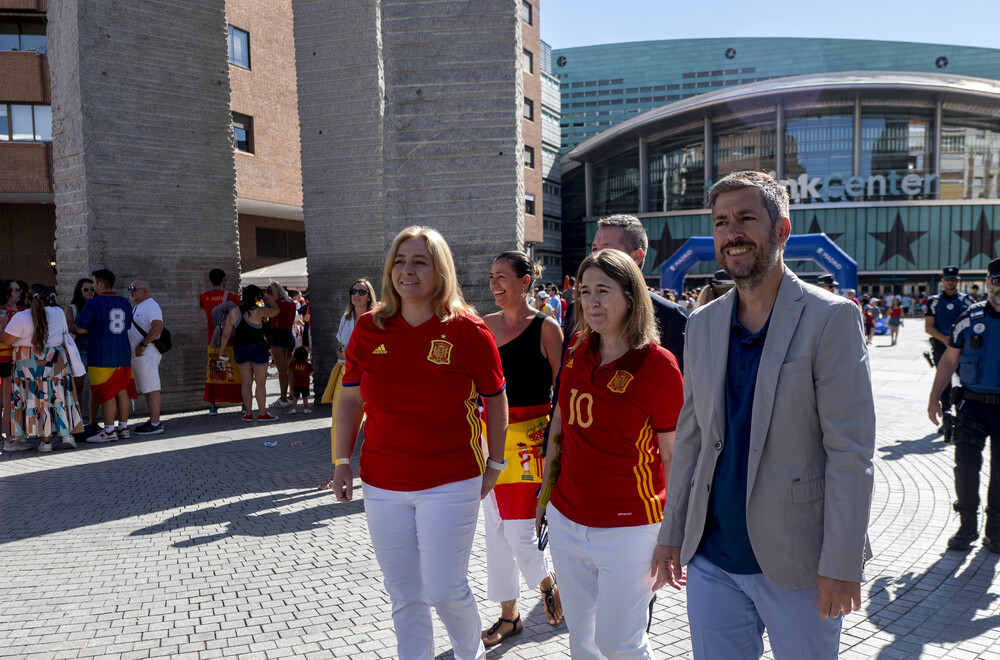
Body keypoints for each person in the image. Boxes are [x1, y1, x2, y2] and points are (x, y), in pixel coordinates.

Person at [651, 170, 876, 660]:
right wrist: (671, 535)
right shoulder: (704, 324)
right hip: (710, 559)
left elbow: (850, 452)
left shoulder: (831, 318)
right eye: (721, 222)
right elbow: (691, 439)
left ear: (782, 229)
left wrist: (842, 563)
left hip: (799, 564)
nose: (733, 232)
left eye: (747, 218)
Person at [330, 226, 508, 660]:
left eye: (419, 261)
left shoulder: (468, 329)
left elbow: (496, 399)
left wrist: (496, 463)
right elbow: (350, 397)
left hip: (451, 479)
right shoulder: (369, 328)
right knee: (405, 592)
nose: (407, 270)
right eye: (400, 261)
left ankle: (471, 653)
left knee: (445, 589)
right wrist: (341, 460)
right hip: (383, 482)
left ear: (439, 270)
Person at [536, 249, 683, 659]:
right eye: (585, 291)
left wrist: (673, 535)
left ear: (631, 295)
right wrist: (545, 495)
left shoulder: (659, 366)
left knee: (620, 644)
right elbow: (560, 429)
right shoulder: (579, 348)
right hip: (567, 520)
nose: (591, 301)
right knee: (582, 641)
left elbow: (673, 457)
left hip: (630, 530)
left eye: (603, 290)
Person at [480, 251, 565, 646]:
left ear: (525, 281)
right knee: (495, 531)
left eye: (502, 276)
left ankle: (546, 583)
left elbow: (563, 392)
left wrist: (557, 447)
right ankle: (509, 616)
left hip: (532, 440)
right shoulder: (483, 326)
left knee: (520, 531)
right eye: (492, 276)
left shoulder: (547, 329)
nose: (494, 283)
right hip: (490, 436)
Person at [928, 258, 1000, 553]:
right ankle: (967, 526)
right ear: (987, 283)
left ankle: (995, 529)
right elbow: (948, 360)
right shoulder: (970, 317)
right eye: (996, 281)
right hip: (971, 406)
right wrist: (934, 397)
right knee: (966, 467)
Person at [572, 214, 687, 372]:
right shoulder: (579, 309)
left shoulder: (669, 317)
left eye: (607, 249)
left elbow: (678, 386)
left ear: (636, 257)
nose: (597, 257)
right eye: (594, 249)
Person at [0, 284, 83, 452]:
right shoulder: (59, 312)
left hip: (28, 361)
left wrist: (3, 325)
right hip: (55, 358)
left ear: (28, 299)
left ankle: (45, 441)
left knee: (36, 400)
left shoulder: (21, 317)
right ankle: (66, 434)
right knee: (60, 396)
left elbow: (6, 340)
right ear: (49, 298)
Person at [320, 278, 378, 488]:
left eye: (361, 292)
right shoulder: (346, 318)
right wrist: (341, 353)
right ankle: (339, 467)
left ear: (369, 295)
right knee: (339, 420)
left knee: (374, 420)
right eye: (353, 290)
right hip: (345, 372)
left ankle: (373, 467)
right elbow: (340, 345)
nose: (356, 295)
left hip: (368, 374)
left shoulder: (376, 318)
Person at [76, 269, 137, 443]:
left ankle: (109, 431)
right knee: (121, 390)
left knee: (106, 392)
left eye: (94, 283)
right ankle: (123, 427)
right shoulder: (125, 303)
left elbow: (81, 328)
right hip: (123, 351)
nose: (93, 286)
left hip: (101, 354)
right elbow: (127, 325)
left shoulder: (94, 303)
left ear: (100, 284)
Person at [217, 285, 280, 422]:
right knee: (260, 383)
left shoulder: (234, 312)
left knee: (246, 382)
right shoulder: (258, 311)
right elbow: (276, 310)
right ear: (256, 297)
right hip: (258, 348)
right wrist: (267, 297)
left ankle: (248, 413)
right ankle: (262, 413)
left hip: (240, 349)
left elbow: (226, 334)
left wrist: (221, 352)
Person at [925, 266, 972, 434]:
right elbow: (929, 327)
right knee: (944, 381)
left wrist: (957, 341)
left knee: (965, 381)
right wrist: (944, 339)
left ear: (958, 280)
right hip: (941, 344)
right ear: (942, 281)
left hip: (963, 347)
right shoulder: (934, 301)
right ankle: (946, 419)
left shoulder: (967, 301)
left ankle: (962, 418)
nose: (950, 282)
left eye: (953, 279)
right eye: (947, 279)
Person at [200, 268, 242, 414]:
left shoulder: (203, 296)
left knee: (213, 372)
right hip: (231, 339)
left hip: (213, 340)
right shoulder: (232, 296)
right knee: (236, 371)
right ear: (224, 279)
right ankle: (243, 402)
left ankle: (212, 405)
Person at [127, 280, 165, 435]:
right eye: (130, 288)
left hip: (147, 352)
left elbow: (157, 326)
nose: (131, 291)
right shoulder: (139, 307)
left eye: (134, 289)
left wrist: (143, 344)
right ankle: (153, 420)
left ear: (145, 291)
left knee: (152, 388)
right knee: (147, 389)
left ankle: (156, 423)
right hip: (141, 353)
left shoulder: (150, 305)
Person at [65, 278, 98, 435]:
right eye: (86, 289)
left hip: (96, 351)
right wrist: (83, 329)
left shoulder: (98, 306)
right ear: (80, 291)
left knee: (96, 389)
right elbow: (69, 326)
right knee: (77, 388)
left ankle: (92, 422)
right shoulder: (72, 308)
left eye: (92, 289)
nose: (90, 292)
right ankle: (77, 422)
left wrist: (82, 329)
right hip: (77, 352)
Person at [0, 279, 26, 441]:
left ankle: (16, 433)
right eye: (15, 290)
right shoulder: (1, 311)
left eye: (19, 290)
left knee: (16, 399)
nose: (19, 292)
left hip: (22, 358)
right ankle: (9, 437)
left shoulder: (24, 310)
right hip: (4, 358)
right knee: (6, 400)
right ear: (7, 293)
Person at [264, 282, 298, 408]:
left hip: (278, 336)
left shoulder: (276, 303)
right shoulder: (290, 303)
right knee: (289, 369)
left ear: (271, 294)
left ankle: (283, 398)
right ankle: (291, 395)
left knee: (282, 371)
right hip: (289, 335)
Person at [287, 346, 313, 414]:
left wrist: (293, 357)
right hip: (305, 384)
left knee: (295, 397)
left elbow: (289, 365)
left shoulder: (293, 364)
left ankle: (293, 409)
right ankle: (306, 409)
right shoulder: (308, 365)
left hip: (296, 384)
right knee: (305, 398)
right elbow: (312, 372)